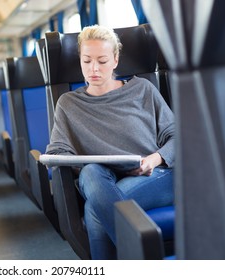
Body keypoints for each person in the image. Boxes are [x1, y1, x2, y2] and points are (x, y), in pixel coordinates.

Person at [45, 25, 175, 259]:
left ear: (115, 60)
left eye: (102, 61)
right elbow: (59, 150)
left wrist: (154, 159)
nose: (93, 68)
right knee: (90, 173)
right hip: (103, 180)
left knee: (95, 209)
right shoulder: (68, 104)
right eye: (87, 61)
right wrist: (61, 158)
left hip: (155, 174)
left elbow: (177, 136)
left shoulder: (143, 89)